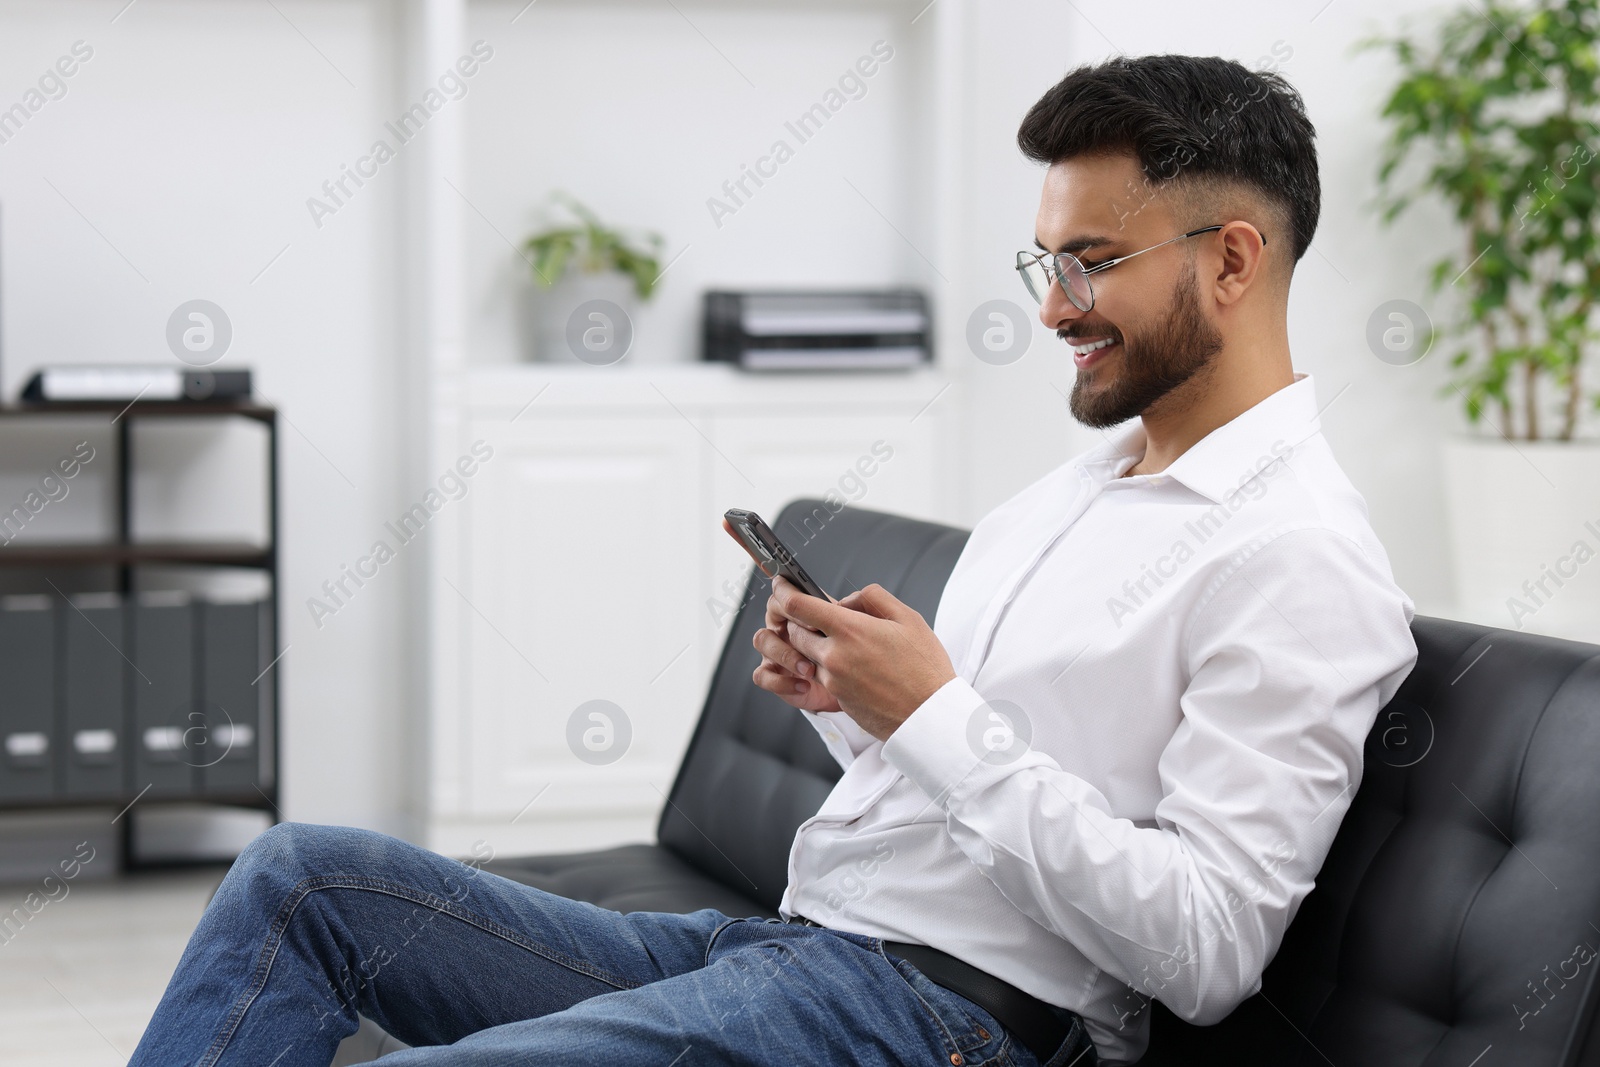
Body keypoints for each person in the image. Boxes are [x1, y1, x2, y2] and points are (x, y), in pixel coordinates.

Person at [129, 54, 1417, 1067]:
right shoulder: (1074, 491)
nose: (1051, 307)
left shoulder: (1295, 555)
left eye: (1090, 264)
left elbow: (1206, 948)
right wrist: (863, 711)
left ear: (1233, 260)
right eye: (1047, 262)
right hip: (784, 954)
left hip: (943, 1024)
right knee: (302, 883)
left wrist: (934, 712)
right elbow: (973, 776)